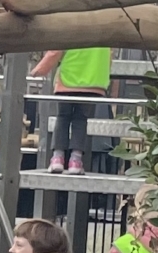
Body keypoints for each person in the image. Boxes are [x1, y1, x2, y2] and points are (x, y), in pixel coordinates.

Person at [32, 46, 109, 175]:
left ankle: (57, 158)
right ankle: (76, 160)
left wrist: (39, 69)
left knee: (63, 117)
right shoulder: (104, 31)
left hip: (68, 80)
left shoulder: (69, 27)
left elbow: (55, 51)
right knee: (81, 120)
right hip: (93, 81)